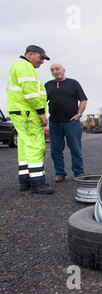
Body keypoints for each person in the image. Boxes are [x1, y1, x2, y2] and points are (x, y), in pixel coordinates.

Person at [6, 45, 54, 194]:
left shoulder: (17, 65)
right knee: (35, 145)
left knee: (24, 145)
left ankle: (25, 181)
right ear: (30, 54)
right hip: (28, 112)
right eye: (41, 58)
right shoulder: (25, 66)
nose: (42, 62)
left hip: (18, 111)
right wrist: (41, 112)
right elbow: (31, 93)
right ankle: (38, 183)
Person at [45, 63, 87, 182]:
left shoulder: (73, 83)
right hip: (54, 123)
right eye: (52, 70)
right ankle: (60, 173)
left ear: (63, 70)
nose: (55, 72)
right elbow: (42, 101)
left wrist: (78, 115)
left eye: (57, 69)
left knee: (75, 149)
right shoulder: (48, 85)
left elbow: (83, 100)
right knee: (55, 150)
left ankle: (78, 173)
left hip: (71, 122)